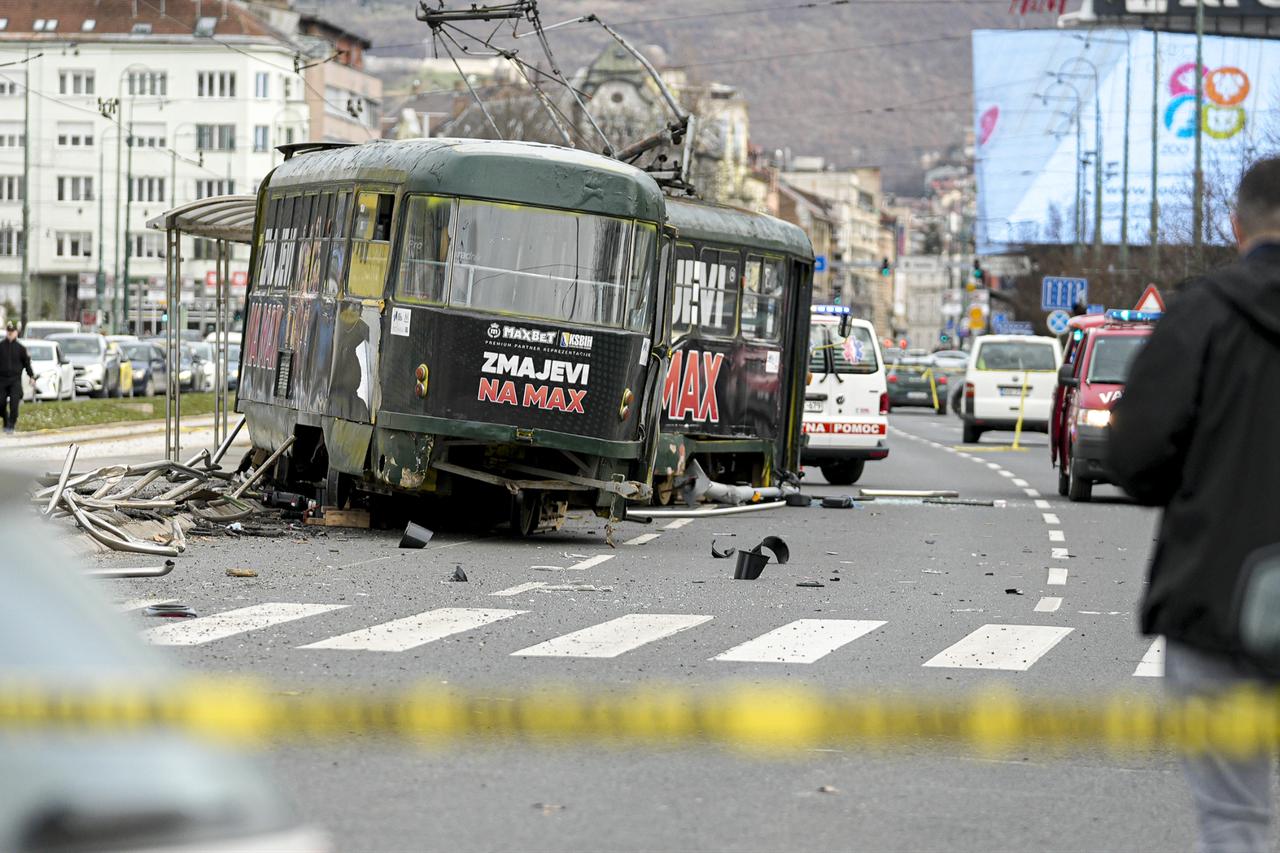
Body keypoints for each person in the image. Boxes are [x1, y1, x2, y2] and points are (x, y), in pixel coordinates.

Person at [1109, 156, 1280, 853]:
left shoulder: (1202, 316)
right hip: (1221, 606)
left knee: (1234, 818)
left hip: (1221, 601)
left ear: (1236, 225)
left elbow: (1135, 462)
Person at [0, 321, 35, 433]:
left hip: (15, 380)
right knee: (0, 403)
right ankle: (5, 419)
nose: (10, 333)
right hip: (2, 380)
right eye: (8, 331)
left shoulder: (21, 348)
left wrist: (31, 376)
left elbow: (27, 364)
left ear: (16, 332)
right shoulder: (0, 346)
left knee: (14, 404)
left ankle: (11, 425)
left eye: (12, 331)